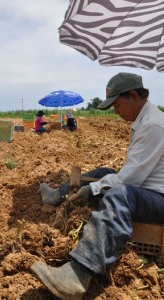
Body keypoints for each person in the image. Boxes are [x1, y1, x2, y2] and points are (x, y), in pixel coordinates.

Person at [31, 72, 164, 300]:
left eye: (116, 105)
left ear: (133, 96)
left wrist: (92, 189)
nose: (115, 111)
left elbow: (129, 181)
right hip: (146, 190)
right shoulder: (144, 120)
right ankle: (57, 196)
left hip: (158, 199)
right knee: (104, 173)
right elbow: (130, 174)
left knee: (120, 193)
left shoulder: (153, 125)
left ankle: (79, 273)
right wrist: (98, 184)